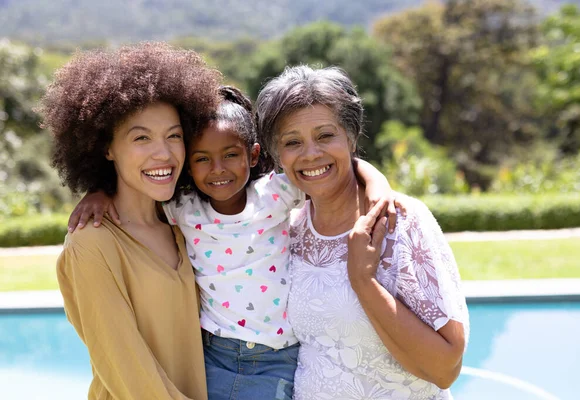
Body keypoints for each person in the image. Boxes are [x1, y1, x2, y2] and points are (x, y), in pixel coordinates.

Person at [67, 84, 404, 400]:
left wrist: (378, 186)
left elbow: (333, 167)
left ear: (253, 155)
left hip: (276, 358)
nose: (217, 168)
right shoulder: (183, 210)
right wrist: (98, 190)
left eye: (173, 137)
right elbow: (133, 195)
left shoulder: (274, 194)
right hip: (215, 356)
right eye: (202, 158)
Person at [255, 65, 470, 399]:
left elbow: (445, 369)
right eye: (292, 142)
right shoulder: (289, 229)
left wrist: (363, 281)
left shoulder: (399, 220)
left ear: (351, 137)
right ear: (277, 155)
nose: (311, 153)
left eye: (325, 135)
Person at [37, 42, 222, 400]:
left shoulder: (184, 226)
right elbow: (128, 371)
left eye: (174, 136)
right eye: (141, 138)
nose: (164, 153)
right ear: (106, 148)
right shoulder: (92, 244)